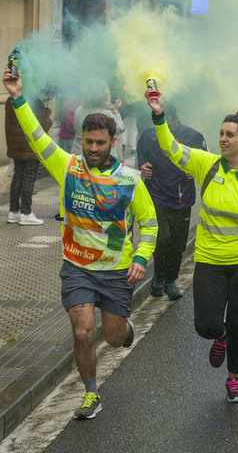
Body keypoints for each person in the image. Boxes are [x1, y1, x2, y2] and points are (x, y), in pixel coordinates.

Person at [4, 68, 156, 420]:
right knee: (84, 331)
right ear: (82, 139)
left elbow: (149, 225)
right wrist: (17, 97)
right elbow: (38, 136)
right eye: (88, 141)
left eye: (100, 143)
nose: (93, 149)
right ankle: (91, 394)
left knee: (114, 338)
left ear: (112, 142)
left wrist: (142, 257)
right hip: (77, 268)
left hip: (117, 271)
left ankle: (125, 328)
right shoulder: (68, 167)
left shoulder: (130, 180)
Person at [146, 91, 238, 403]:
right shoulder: (206, 165)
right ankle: (219, 336)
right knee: (206, 325)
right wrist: (158, 117)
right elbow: (170, 147)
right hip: (210, 260)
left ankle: (234, 378)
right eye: (221, 133)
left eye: (230, 135)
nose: (223, 139)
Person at [136, 103, 207, 301]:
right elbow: (140, 156)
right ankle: (159, 278)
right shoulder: (148, 135)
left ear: (176, 120)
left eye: (168, 124)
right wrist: (142, 166)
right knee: (162, 238)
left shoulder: (193, 136)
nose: (162, 130)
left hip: (182, 198)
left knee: (177, 244)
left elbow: (205, 160)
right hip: (157, 195)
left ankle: (171, 280)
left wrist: (195, 170)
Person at [6, 94, 52, 225]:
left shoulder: (11, 99)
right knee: (29, 176)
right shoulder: (33, 98)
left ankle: (13, 211)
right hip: (30, 145)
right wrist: (47, 113)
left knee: (18, 175)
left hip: (16, 143)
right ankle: (26, 213)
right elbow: (43, 125)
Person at [71, 83, 125, 156]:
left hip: (79, 152)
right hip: (100, 156)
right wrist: (115, 112)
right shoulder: (106, 114)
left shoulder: (78, 110)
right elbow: (120, 128)